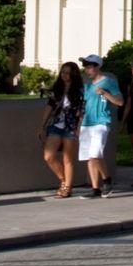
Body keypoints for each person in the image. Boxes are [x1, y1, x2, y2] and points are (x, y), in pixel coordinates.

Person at [78, 54, 122, 199]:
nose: (87, 70)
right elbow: (84, 105)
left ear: (98, 67)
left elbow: (120, 102)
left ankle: (107, 180)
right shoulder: (88, 86)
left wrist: (105, 93)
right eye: (86, 67)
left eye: (89, 67)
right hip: (87, 123)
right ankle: (95, 188)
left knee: (95, 154)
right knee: (90, 157)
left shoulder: (108, 82)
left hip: (101, 122)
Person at [39, 63, 83, 197]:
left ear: (73, 74)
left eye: (68, 72)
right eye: (63, 72)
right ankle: (63, 180)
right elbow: (50, 106)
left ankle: (67, 187)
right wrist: (42, 125)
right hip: (56, 124)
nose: (65, 75)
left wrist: (79, 127)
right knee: (48, 156)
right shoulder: (57, 88)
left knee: (67, 158)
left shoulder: (80, 90)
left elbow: (82, 110)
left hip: (71, 126)